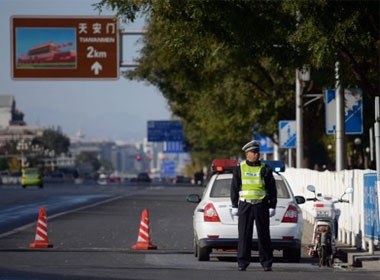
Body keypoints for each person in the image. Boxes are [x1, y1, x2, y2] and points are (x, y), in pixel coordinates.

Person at [230, 140, 277, 271]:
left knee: (264, 235)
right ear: (247, 154)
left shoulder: (265, 168)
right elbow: (234, 188)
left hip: (261, 204)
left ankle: (267, 263)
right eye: (253, 152)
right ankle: (242, 262)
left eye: (257, 152)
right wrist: (234, 205)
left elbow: (272, 189)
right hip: (245, 204)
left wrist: (272, 205)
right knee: (244, 235)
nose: (256, 155)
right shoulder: (240, 168)